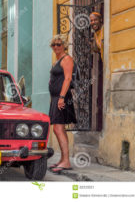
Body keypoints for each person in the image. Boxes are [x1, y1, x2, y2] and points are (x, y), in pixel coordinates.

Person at [48, 34, 77, 173]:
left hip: (62, 98)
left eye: (59, 44)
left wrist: (61, 97)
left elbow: (68, 79)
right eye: (53, 45)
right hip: (55, 98)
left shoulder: (66, 59)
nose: (56, 47)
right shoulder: (57, 60)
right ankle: (62, 159)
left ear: (64, 45)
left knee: (59, 129)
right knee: (57, 129)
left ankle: (66, 161)